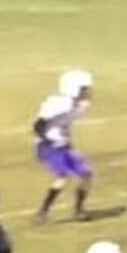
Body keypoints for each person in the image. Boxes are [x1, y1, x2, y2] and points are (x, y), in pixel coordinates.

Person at [33, 69, 96, 224]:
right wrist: (47, 140)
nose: (86, 92)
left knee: (86, 174)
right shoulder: (58, 103)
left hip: (63, 144)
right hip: (49, 145)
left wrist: (66, 142)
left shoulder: (79, 104)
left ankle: (79, 210)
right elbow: (38, 125)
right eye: (83, 88)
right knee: (63, 177)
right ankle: (42, 212)